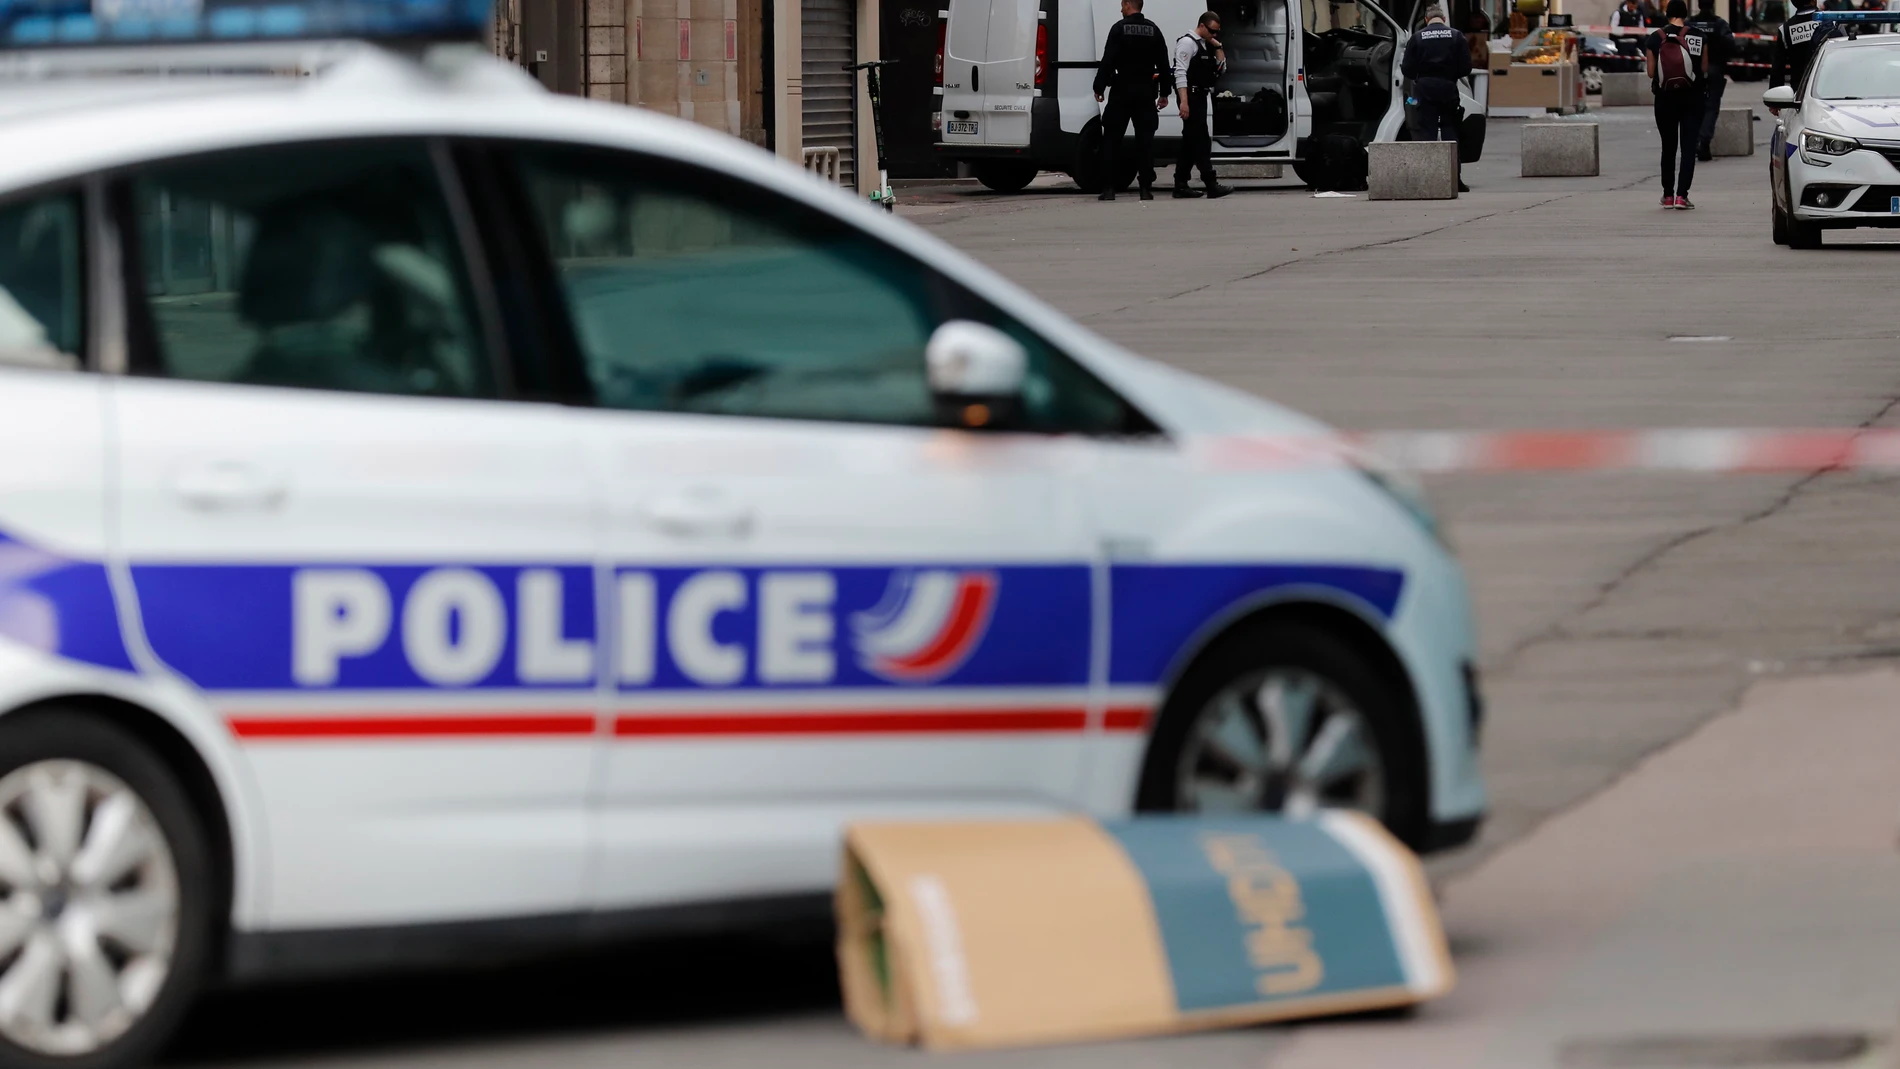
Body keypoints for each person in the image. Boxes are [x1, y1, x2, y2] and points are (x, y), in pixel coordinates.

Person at [1093, 0, 1173, 201]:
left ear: (1129, 4)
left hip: (1122, 90)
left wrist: (1099, 87)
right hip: (1145, 92)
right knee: (1145, 142)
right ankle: (1145, 188)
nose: (1121, 9)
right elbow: (1164, 64)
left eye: (1122, 5)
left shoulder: (1119, 29)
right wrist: (1164, 92)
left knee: (1111, 140)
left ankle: (1109, 189)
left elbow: (1108, 60)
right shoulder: (1153, 30)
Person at [1400, 5, 1473, 192]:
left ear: (1426, 19)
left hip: (1424, 90)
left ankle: (1428, 178)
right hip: (1448, 88)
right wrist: (1450, 75)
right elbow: (1466, 68)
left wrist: (1420, 76)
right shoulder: (1457, 36)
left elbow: (1406, 68)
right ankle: (1455, 179)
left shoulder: (1417, 37)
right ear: (1444, 19)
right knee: (1450, 131)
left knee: (1427, 133)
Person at [1645, 0, 1709, 208]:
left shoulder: (1655, 38)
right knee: (1689, 147)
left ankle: (1668, 195)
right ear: (1685, 14)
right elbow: (1705, 68)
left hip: (1665, 99)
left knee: (1668, 147)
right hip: (1693, 97)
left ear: (1667, 13)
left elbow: (1651, 73)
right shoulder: (1699, 36)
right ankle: (1682, 196)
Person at [1172, 11, 1235, 198]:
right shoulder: (1187, 44)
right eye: (1212, 31)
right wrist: (1184, 102)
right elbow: (1180, 74)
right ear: (1201, 25)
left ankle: (1180, 184)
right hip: (1190, 96)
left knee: (1190, 141)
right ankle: (1211, 184)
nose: (1214, 35)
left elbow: (1222, 68)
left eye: (1217, 32)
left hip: (1200, 96)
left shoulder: (1205, 45)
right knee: (1200, 141)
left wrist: (1218, 46)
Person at [1686, 0, 1734, 159]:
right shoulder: (1719, 24)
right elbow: (1730, 44)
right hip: (1714, 70)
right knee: (1711, 107)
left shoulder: (1690, 24)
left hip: (1692, 72)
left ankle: (1693, 142)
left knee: (1693, 107)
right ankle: (1703, 143)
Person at [1771, 0, 1831, 89]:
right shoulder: (1830, 22)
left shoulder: (1785, 29)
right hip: (1830, 90)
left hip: (1800, 92)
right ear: (1814, 0)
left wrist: (1775, 99)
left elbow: (1777, 71)